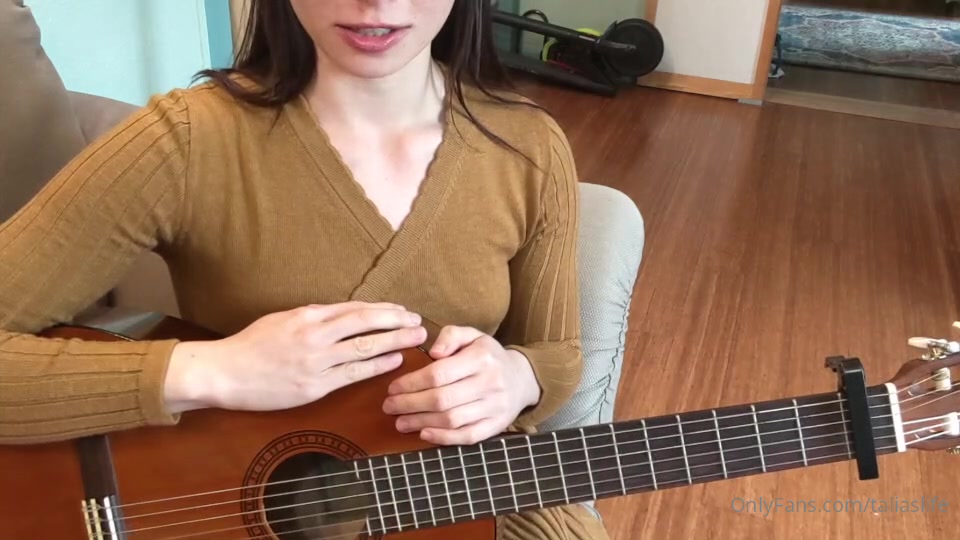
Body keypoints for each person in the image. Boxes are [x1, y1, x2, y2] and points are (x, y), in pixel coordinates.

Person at [0, 0, 603, 538]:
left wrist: (518, 376)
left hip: (467, 503)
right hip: (221, 507)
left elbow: (556, 351)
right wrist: (214, 370)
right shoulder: (186, 140)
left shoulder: (530, 146)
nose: (376, 3)